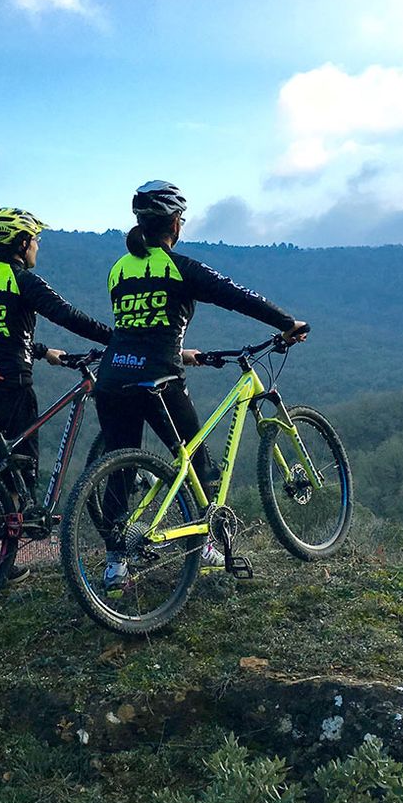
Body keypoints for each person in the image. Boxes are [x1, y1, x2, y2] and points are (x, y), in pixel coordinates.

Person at [94, 180, 307, 588]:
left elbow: (139, 324)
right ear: (175, 222)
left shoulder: (119, 269)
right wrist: (286, 323)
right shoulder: (180, 267)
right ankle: (207, 543)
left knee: (121, 465)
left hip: (114, 375)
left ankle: (114, 563)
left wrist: (181, 350)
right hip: (157, 378)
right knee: (199, 462)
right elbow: (236, 295)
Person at [0, 207, 112, 581]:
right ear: (22, 243)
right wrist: (119, 338)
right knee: (16, 480)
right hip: (11, 389)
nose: (38, 247)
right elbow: (68, 315)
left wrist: (42, 351)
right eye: (35, 240)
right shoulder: (23, 280)